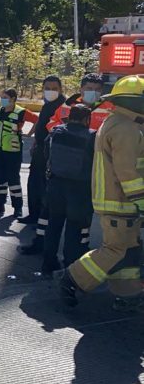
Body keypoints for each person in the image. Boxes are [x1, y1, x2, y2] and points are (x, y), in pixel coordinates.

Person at [59, 75, 144, 311]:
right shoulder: (126, 128)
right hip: (120, 202)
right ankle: (72, 278)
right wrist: (142, 201)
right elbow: (127, 172)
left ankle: (127, 293)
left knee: (129, 249)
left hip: (119, 201)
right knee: (115, 249)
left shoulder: (121, 122)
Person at [28, 74, 115, 251]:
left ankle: (79, 251)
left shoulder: (109, 109)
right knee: (50, 212)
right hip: (60, 168)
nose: (93, 93)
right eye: (89, 89)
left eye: (98, 90)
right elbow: (51, 125)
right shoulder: (67, 107)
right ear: (81, 89)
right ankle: (40, 244)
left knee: (81, 217)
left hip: (88, 171)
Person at [40, 104, 96, 276]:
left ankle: (48, 264)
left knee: (53, 226)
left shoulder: (56, 131)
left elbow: (45, 154)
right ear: (87, 119)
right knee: (74, 230)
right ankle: (70, 269)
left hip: (55, 186)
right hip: (79, 189)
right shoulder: (92, 136)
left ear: (70, 116)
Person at [19, 76, 65, 225]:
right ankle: (34, 214)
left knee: (44, 186)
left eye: (54, 89)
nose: (50, 91)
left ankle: (42, 218)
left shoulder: (62, 107)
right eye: (47, 88)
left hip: (50, 153)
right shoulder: (48, 104)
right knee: (34, 184)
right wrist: (35, 142)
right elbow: (41, 124)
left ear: (60, 90)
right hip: (40, 149)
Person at [0, 88, 38, 218]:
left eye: (5, 97)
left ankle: (17, 208)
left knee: (13, 179)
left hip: (13, 152)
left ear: (13, 99)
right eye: (1, 97)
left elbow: (37, 120)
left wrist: (30, 134)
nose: (2, 99)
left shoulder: (21, 112)